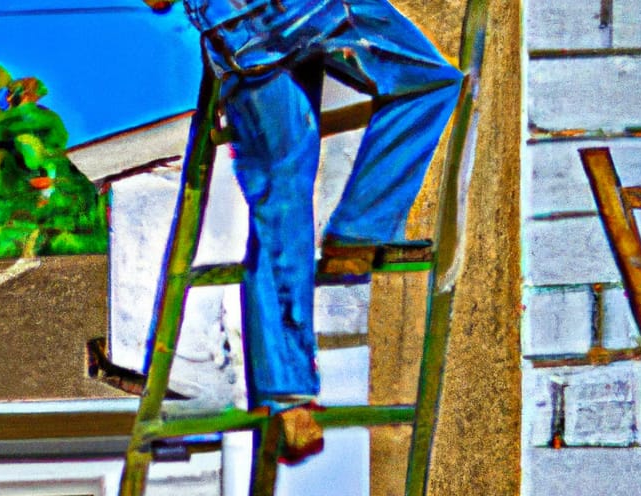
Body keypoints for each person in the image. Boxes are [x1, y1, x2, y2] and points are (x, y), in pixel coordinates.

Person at [144, 0, 463, 463]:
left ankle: (357, 233)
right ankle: (286, 394)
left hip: (288, 21)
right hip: (257, 32)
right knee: (283, 197)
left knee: (429, 83)